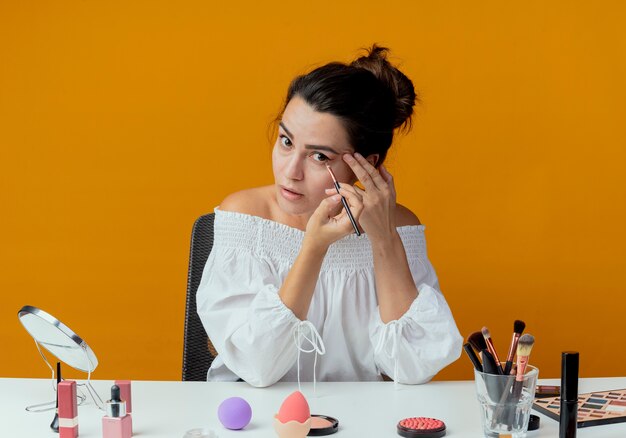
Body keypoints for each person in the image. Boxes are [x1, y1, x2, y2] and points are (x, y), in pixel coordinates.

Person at [196, 45, 462, 387]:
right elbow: (258, 368)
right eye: (286, 141)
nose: (291, 171)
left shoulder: (399, 227)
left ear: (368, 164)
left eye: (320, 156)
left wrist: (383, 238)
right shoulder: (246, 217)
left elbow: (412, 369)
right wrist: (313, 248)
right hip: (257, 417)